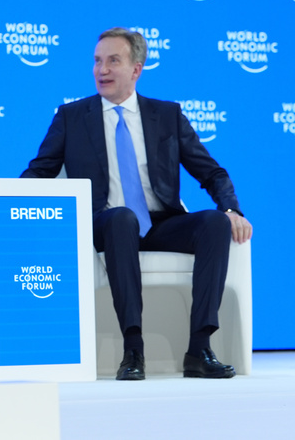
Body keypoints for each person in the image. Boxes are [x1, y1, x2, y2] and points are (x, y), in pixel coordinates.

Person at [21, 27, 253, 380]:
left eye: (113, 60)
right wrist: (7, 205)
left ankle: (200, 348)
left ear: (136, 69)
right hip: (104, 223)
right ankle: (133, 349)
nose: (102, 70)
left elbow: (211, 172)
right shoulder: (71, 117)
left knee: (214, 224)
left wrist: (231, 208)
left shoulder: (167, 116)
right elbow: (40, 171)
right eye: (97, 61)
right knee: (121, 219)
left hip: (159, 223)